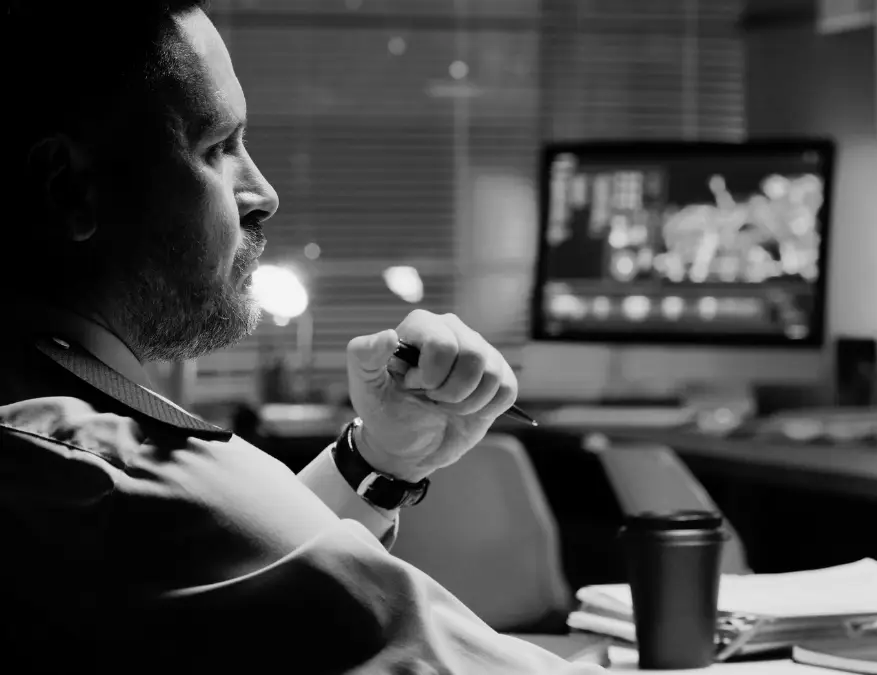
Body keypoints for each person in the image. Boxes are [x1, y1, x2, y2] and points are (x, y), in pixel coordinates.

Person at [0, 2, 608, 673]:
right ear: (68, 187)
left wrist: (376, 460)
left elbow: (233, 575)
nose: (264, 192)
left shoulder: (53, 454)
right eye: (217, 147)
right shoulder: (117, 482)